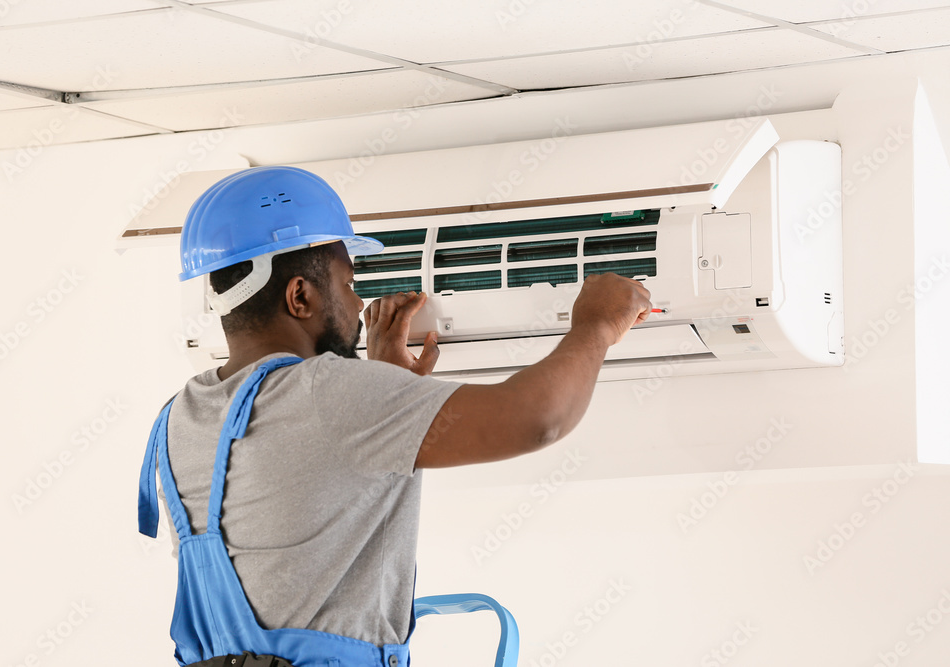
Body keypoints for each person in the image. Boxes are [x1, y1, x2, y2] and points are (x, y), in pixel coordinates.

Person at [138, 166, 652, 667]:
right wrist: (597, 325)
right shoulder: (330, 394)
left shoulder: (180, 417)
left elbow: (297, 503)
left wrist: (384, 382)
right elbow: (541, 417)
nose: (359, 300)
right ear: (301, 296)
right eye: (347, 281)